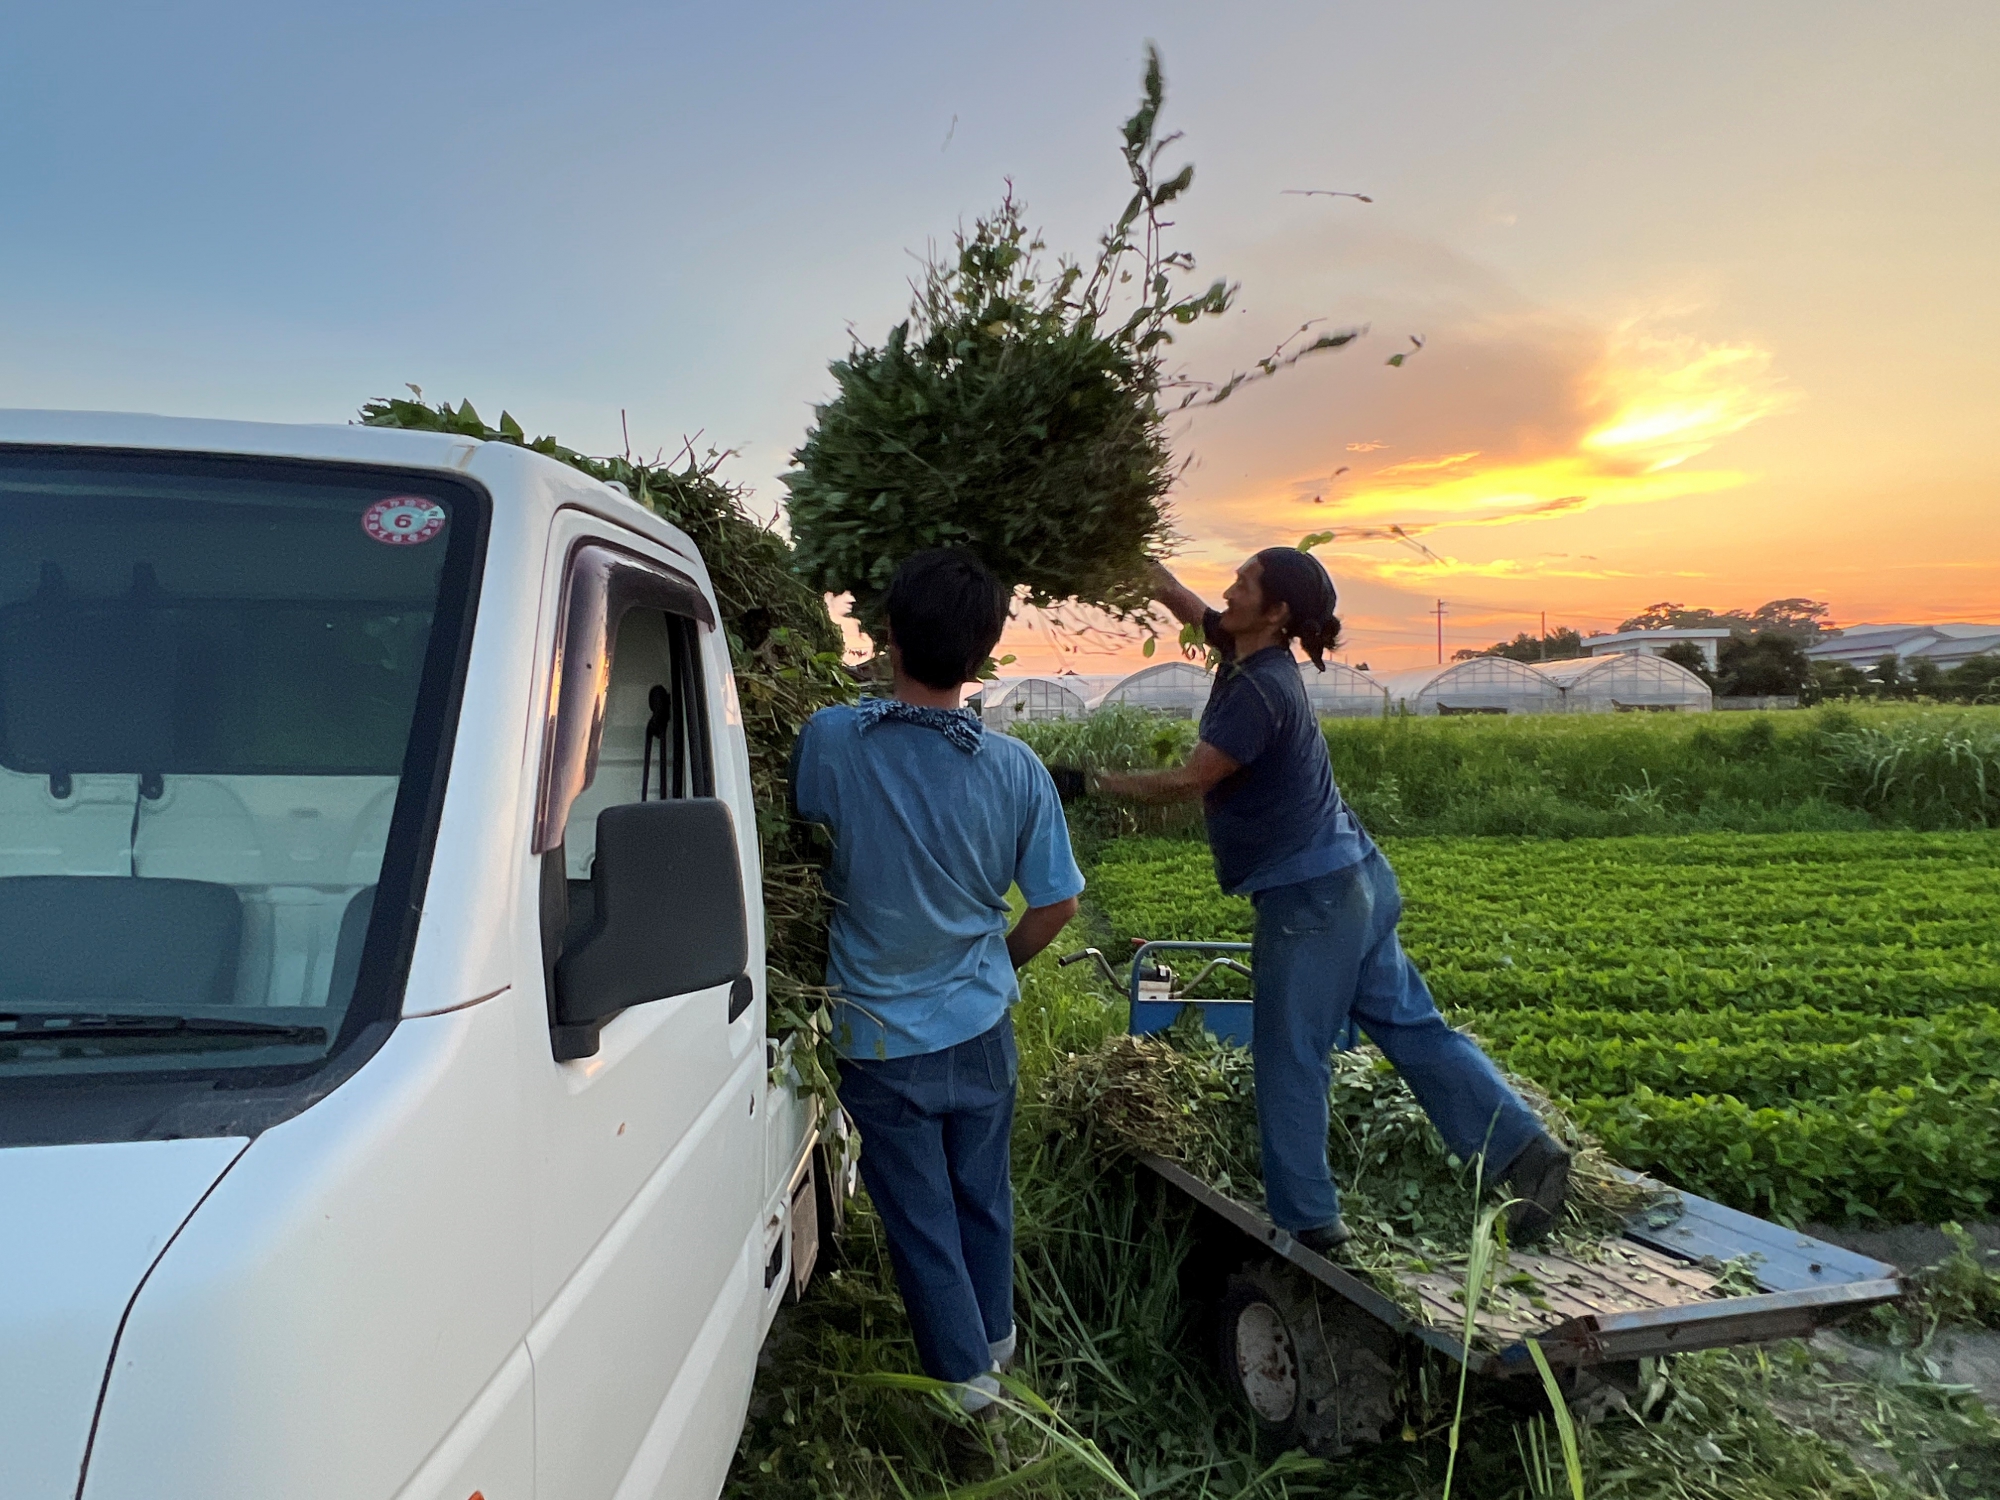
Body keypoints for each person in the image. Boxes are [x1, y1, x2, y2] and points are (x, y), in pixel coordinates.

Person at [1091, 550, 1570, 1252]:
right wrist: (1156, 581)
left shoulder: (1261, 692)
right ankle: (1524, 1152)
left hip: (1311, 897)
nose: (1229, 590)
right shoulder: (1251, 654)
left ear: (1277, 612)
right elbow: (1205, 617)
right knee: (1414, 1027)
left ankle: (1309, 1221)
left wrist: (1092, 782)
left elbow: (1189, 780)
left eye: (1244, 584)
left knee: (1290, 1053)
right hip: (1354, 877)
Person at [790, 548, 1084, 1411]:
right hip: (982, 1031)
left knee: (922, 1222)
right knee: (983, 1198)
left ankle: (968, 1396)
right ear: (984, 654)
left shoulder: (832, 741)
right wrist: (997, 962)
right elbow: (1058, 904)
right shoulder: (1017, 769)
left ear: (887, 635)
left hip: (881, 1040)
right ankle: (997, 1346)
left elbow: (802, 843)